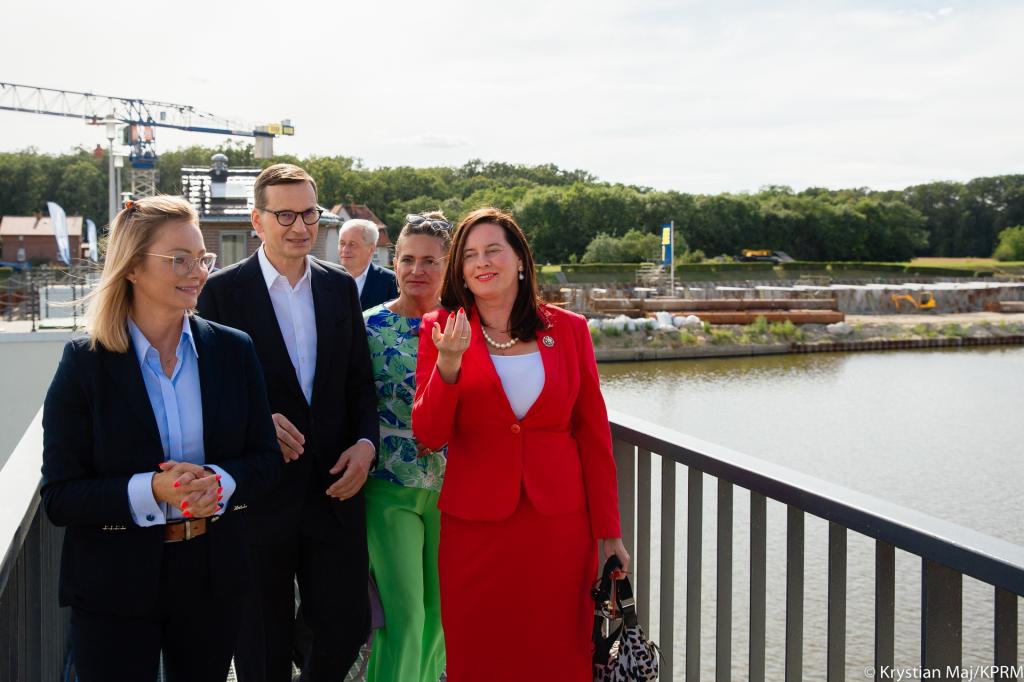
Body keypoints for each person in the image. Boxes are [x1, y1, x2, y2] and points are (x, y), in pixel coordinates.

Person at [40, 196, 283, 682]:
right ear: (132, 267)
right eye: (179, 259)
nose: (198, 272)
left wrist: (219, 482)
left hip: (212, 576)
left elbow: (266, 461)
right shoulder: (85, 362)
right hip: (113, 582)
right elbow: (60, 497)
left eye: (202, 259)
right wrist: (151, 490)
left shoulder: (233, 350)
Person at [412, 207, 630, 682]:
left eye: (493, 250)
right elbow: (429, 434)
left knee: (559, 652)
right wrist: (448, 365)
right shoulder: (441, 328)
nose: (481, 262)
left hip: (559, 529)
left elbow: (594, 435)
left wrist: (609, 532)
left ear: (520, 260)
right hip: (476, 529)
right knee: (480, 654)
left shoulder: (569, 330)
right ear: (460, 270)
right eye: (469, 255)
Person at [196, 164, 379, 682]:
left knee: (347, 626)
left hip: (335, 490)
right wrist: (254, 423)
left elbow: (359, 382)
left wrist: (366, 444)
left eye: (309, 214)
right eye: (285, 215)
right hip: (259, 497)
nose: (300, 226)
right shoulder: (220, 293)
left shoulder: (339, 287)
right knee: (261, 649)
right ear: (257, 220)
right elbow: (204, 393)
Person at [362, 212, 451, 682]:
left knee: (439, 619)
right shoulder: (367, 326)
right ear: (393, 262)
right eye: (408, 259)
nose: (417, 270)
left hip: (454, 492)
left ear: (448, 264)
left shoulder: (465, 325)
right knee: (405, 618)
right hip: (388, 486)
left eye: (430, 261)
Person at [338, 217, 399, 310]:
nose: (345, 250)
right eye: (342, 243)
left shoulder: (392, 282)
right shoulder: (326, 279)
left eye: (352, 244)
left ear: (371, 249)